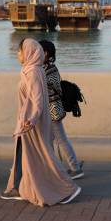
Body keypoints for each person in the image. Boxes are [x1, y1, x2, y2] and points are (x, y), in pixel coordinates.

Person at [0, 38, 81, 205]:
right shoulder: (30, 70)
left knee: (44, 156)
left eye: (20, 50)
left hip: (30, 123)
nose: (18, 54)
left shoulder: (34, 73)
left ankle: (67, 189)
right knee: (28, 157)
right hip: (26, 121)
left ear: (29, 52)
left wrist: (31, 120)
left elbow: (37, 101)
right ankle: (20, 187)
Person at [38, 39, 84, 179]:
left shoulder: (47, 69)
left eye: (38, 50)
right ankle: (55, 167)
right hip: (53, 108)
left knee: (60, 139)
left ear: (45, 53)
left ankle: (75, 168)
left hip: (52, 109)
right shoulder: (49, 67)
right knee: (51, 140)